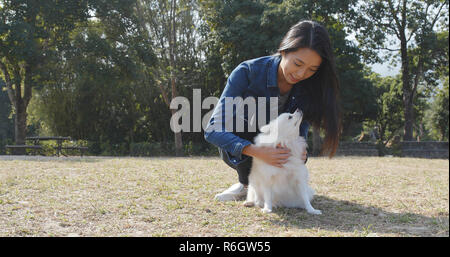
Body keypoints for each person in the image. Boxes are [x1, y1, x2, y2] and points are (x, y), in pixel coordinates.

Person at [204, 20, 341, 201]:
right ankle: (247, 184)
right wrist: (255, 150)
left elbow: (299, 131)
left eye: (312, 69)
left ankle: (272, 187)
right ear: (284, 50)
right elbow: (213, 130)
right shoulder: (247, 72)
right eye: (298, 64)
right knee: (239, 124)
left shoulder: (310, 87)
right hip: (248, 146)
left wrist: (301, 150)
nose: (301, 74)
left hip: (282, 157)